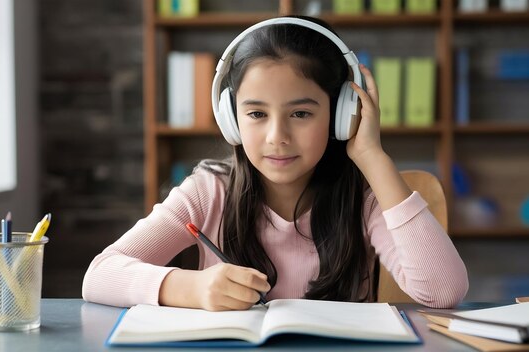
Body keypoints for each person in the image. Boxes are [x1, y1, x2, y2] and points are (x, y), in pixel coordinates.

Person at [82, 16, 468, 311]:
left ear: (341, 115)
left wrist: (372, 156)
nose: (276, 137)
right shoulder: (208, 191)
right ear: (231, 119)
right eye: (256, 115)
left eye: (300, 114)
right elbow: (99, 276)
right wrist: (191, 288)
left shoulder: (365, 197)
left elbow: (443, 291)